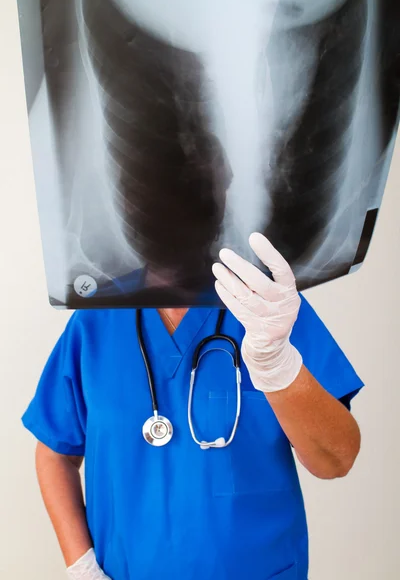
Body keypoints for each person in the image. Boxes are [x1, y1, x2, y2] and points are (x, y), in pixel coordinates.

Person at [22, 232, 363, 580]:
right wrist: (82, 567)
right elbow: (55, 453)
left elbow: (336, 460)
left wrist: (279, 365)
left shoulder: (268, 309)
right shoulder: (97, 318)